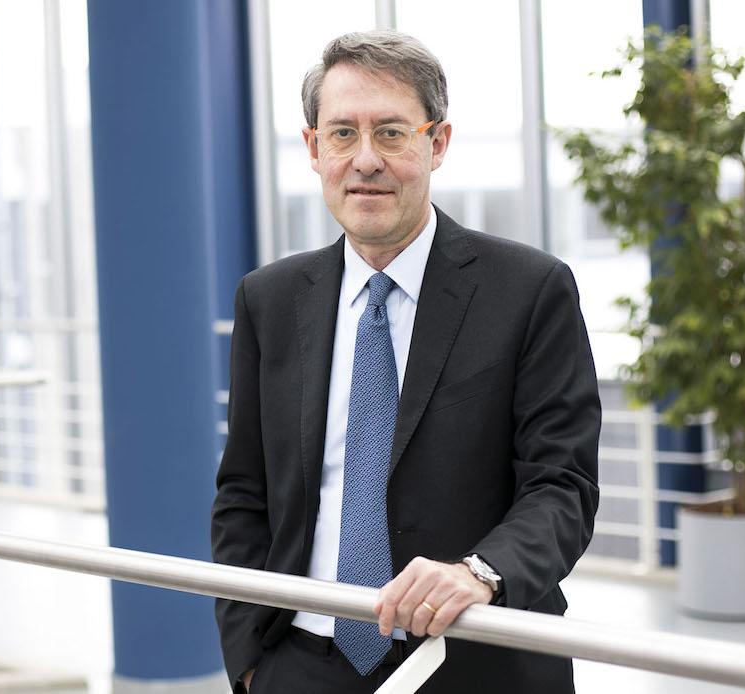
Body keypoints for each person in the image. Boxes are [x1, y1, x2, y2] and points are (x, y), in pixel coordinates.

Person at [211, 30, 600, 694]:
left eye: (391, 133)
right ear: (314, 149)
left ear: (436, 143)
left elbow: (562, 487)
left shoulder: (529, 291)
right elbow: (244, 495)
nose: (365, 160)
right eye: (342, 134)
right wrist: (251, 663)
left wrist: (479, 573)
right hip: (301, 663)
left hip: (476, 660)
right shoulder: (268, 300)